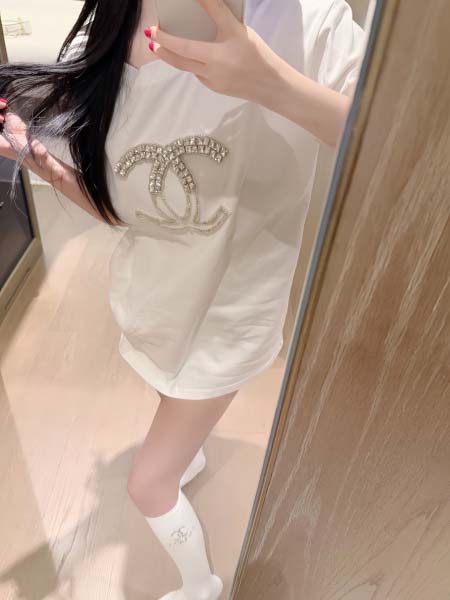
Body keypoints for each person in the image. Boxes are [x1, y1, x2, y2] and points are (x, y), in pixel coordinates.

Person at [0, 0, 366, 598]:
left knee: (148, 485)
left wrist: (272, 85)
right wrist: (37, 159)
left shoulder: (309, 23)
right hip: (155, 299)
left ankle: (202, 585)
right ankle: (187, 452)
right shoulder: (109, 30)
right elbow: (121, 211)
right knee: (166, 391)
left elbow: (398, 152)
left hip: (226, 321)